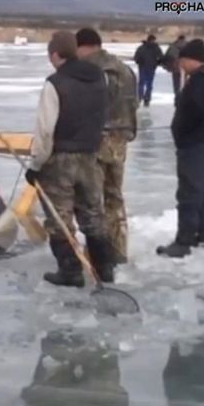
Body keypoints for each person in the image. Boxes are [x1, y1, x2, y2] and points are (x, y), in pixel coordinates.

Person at [25, 31, 116, 287]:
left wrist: (35, 165)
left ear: (55, 54)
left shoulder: (55, 83)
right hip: (90, 156)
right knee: (93, 214)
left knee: (59, 218)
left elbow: (45, 131)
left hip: (59, 161)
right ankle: (104, 268)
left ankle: (71, 272)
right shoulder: (99, 77)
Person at [76, 28, 138, 264]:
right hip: (120, 140)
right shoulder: (124, 69)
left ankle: (100, 255)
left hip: (97, 141)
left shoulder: (91, 71)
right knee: (114, 196)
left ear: (82, 46)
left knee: (93, 200)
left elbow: (84, 108)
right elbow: (134, 102)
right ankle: (119, 249)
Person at [157, 39, 204, 258]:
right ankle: (200, 234)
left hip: (194, 145)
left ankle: (184, 240)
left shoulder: (199, 83)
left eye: (183, 59)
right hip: (194, 143)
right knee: (199, 190)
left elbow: (195, 111)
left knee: (189, 192)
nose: (181, 64)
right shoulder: (197, 80)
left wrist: (184, 131)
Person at [133, 34, 164, 107]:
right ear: (153, 40)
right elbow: (161, 57)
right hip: (151, 67)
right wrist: (157, 63)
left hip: (143, 67)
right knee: (149, 84)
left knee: (142, 83)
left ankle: (140, 97)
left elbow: (136, 57)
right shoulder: (156, 48)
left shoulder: (142, 47)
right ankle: (147, 99)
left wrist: (139, 62)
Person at [163, 35, 188, 104]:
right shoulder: (188, 46)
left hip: (175, 67)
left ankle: (177, 97)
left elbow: (167, 57)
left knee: (176, 84)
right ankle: (184, 98)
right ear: (184, 39)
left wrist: (167, 67)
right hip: (186, 67)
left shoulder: (173, 46)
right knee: (185, 82)